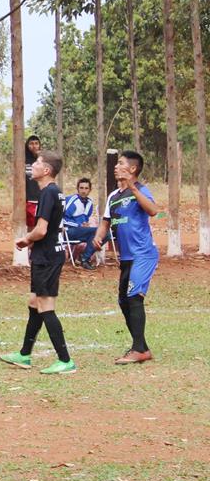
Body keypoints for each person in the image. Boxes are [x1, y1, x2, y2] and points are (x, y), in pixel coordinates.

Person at [0, 150, 76, 374]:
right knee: (34, 303)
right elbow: (51, 228)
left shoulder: (48, 193)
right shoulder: (54, 192)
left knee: (45, 306)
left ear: (47, 170)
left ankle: (65, 360)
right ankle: (24, 355)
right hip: (47, 253)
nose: (33, 165)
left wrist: (25, 239)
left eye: (38, 163)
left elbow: (41, 230)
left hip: (48, 256)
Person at [92, 150, 158, 365]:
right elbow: (105, 222)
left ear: (132, 169)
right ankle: (142, 347)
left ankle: (138, 349)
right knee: (123, 301)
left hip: (144, 254)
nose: (115, 167)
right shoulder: (113, 196)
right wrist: (98, 238)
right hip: (126, 257)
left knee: (134, 297)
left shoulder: (140, 190)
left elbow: (153, 210)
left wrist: (132, 187)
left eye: (120, 164)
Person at [63, 178, 107, 270]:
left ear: (90, 190)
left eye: (86, 188)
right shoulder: (71, 201)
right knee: (99, 231)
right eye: (81, 188)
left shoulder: (90, 203)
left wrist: (85, 225)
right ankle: (85, 259)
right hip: (69, 231)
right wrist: (79, 225)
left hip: (82, 231)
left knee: (105, 233)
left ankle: (84, 258)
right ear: (77, 189)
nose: (83, 191)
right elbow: (63, 220)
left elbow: (85, 219)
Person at [25, 135, 42, 231]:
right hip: (29, 197)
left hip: (40, 195)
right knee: (31, 224)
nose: (34, 146)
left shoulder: (42, 159)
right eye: (31, 144)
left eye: (36, 143)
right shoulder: (23, 159)